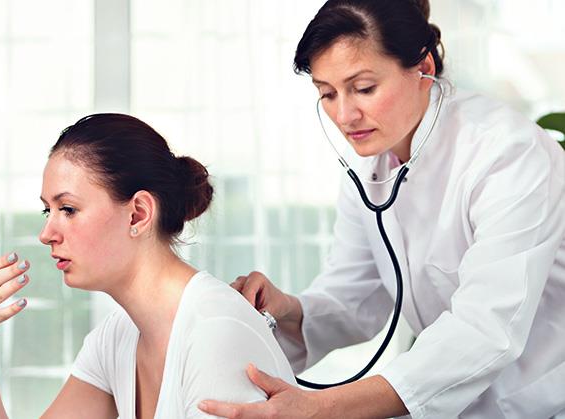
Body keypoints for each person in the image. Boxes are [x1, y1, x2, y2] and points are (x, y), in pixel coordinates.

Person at [198, 0, 565, 418]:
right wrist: (288, 311)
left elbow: (485, 329)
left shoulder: (509, 154)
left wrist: (322, 409)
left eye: (364, 88)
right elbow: (353, 298)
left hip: (545, 403)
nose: (344, 115)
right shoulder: (370, 166)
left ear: (423, 68)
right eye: (327, 94)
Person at [0, 113, 296, 418]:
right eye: (48, 210)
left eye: (68, 209)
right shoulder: (118, 337)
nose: (46, 234)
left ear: (138, 214)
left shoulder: (214, 334)